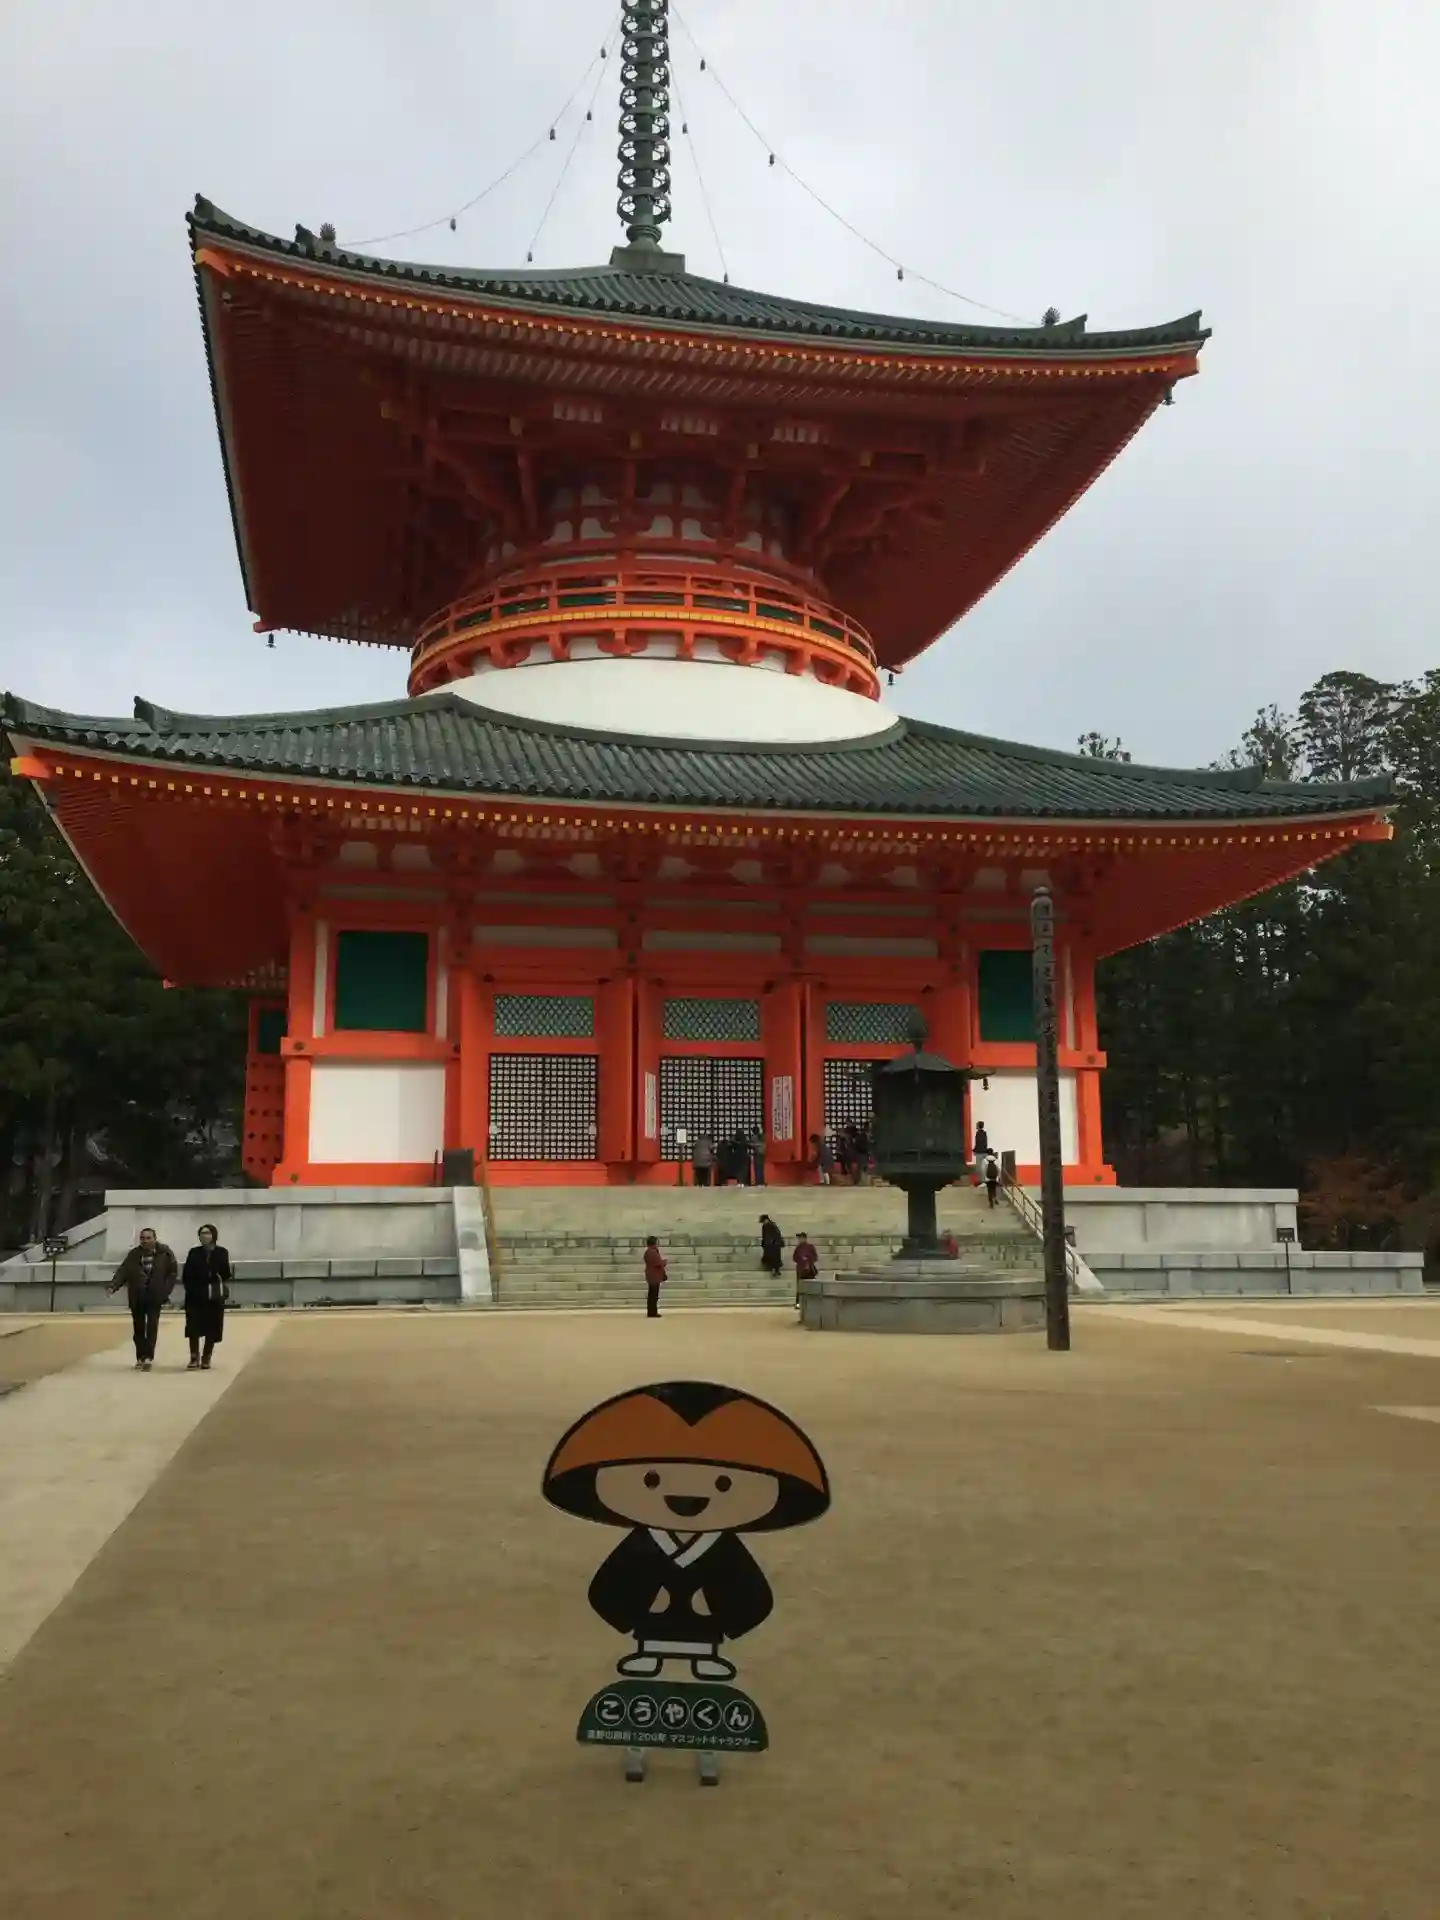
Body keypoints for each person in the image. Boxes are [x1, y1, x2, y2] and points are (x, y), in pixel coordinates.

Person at [106, 1226, 178, 1370]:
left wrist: (165, 1291)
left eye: (148, 1238)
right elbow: (123, 1271)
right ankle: (140, 1356)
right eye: (142, 1238)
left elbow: (172, 1273)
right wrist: (113, 1286)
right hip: (137, 1295)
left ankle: (148, 1357)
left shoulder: (165, 1253)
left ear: (155, 1239)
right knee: (139, 1328)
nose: (145, 1241)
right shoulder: (134, 1254)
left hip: (155, 1295)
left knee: (152, 1326)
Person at [182, 1223, 231, 1370]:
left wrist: (214, 1272)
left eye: (208, 1233)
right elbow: (187, 1273)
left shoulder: (221, 1252)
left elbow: (226, 1273)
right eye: (202, 1233)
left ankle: (206, 1357)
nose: (205, 1236)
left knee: (212, 1326)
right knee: (193, 1327)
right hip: (195, 1294)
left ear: (214, 1235)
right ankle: (194, 1357)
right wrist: (191, 1288)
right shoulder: (194, 1252)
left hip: (213, 1295)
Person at [792, 1231, 819, 1305]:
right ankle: (798, 1302)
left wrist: (808, 1259)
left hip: (809, 1269)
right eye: (799, 1238)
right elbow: (794, 1258)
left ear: (804, 1238)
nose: (799, 1240)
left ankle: (811, 1301)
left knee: (811, 1286)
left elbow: (815, 1257)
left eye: (800, 1238)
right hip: (800, 1270)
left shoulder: (810, 1247)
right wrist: (801, 1259)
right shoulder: (798, 1248)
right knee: (800, 1286)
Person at [643, 1235, 667, 1318]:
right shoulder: (652, 1252)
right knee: (654, 1295)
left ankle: (651, 1311)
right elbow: (657, 1263)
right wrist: (664, 1262)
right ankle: (653, 1312)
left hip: (651, 1275)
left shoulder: (648, 1251)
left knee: (652, 1295)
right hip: (654, 1276)